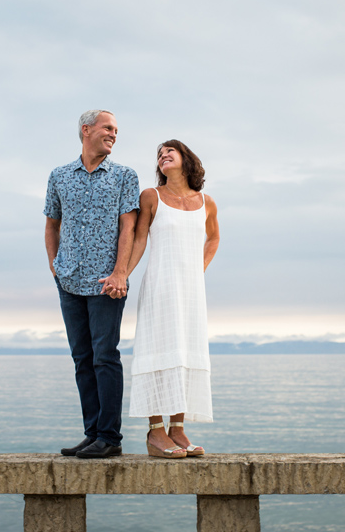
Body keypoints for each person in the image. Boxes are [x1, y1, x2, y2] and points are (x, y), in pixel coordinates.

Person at [44, 110, 139, 459]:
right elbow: (52, 224)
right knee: (82, 358)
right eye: (108, 128)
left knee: (104, 356)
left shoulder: (125, 176)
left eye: (116, 130)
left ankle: (109, 438)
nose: (114, 134)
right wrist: (55, 266)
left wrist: (120, 273)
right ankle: (92, 432)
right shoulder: (59, 176)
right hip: (68, 280)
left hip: (106, 283)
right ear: (86, 130)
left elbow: (129, 228)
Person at [126, 140, 220, 458]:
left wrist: (198, 269)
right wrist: (121, 274)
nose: (163, 156)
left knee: (185, 348)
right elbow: (139, 238)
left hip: (192, 291)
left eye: (170, 151)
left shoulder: (206, 201)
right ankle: (155, 432)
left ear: (186, 160)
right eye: (159, 155)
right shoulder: (152, 197)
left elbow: (214, 237)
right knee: (159, 348)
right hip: (160, 286)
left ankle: (177, 428)